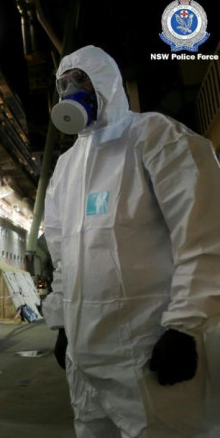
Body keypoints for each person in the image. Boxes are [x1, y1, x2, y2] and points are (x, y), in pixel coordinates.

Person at [43, 45, 220, 437]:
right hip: (85, 361)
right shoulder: (66, 167)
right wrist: (61, 325)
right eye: (64, 83)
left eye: (82, 80)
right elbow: (62, 257)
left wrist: (185, 327)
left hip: (147, 351)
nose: (71, 89)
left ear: (107, 84)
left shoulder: (156, 137)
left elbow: (205, 235)